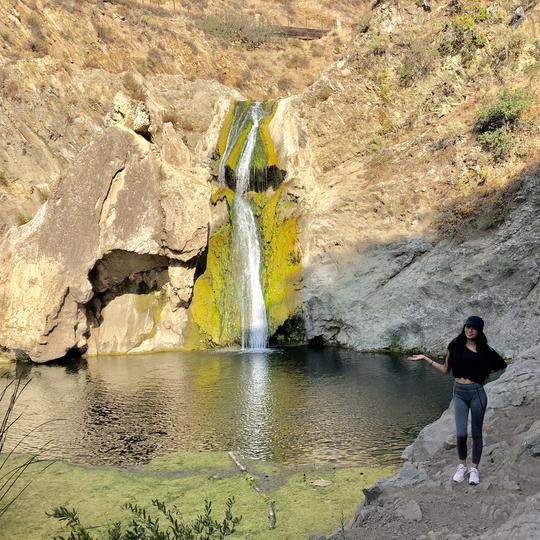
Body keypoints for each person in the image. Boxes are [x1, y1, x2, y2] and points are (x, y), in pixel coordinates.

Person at [407, 316, 507, 486]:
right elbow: (445, 370)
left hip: (477, 393)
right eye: (468, 326)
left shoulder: (484, 350)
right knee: (460, 434)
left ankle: (474, 469)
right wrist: (425, 358)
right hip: (459, 393)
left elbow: (500, 364)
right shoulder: (455, 346)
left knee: (476, 433)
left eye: (474, 328)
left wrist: (483, 372)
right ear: (464, 327)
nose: (470, 330)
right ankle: (462, 466)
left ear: (479, 331)